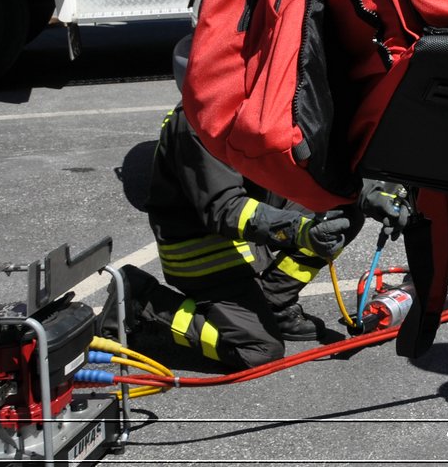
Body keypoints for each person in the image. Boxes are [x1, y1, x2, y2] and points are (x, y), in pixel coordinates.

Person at [112, 38, 407, 371]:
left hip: (248, 235)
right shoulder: (199, 121)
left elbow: (320, 165)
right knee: (258, 350)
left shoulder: (269, 104)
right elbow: (224, 210)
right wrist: (300, 231)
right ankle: (143, 300)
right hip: (203, 251)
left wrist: (371, 194)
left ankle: (274, 304)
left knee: (345, 210)